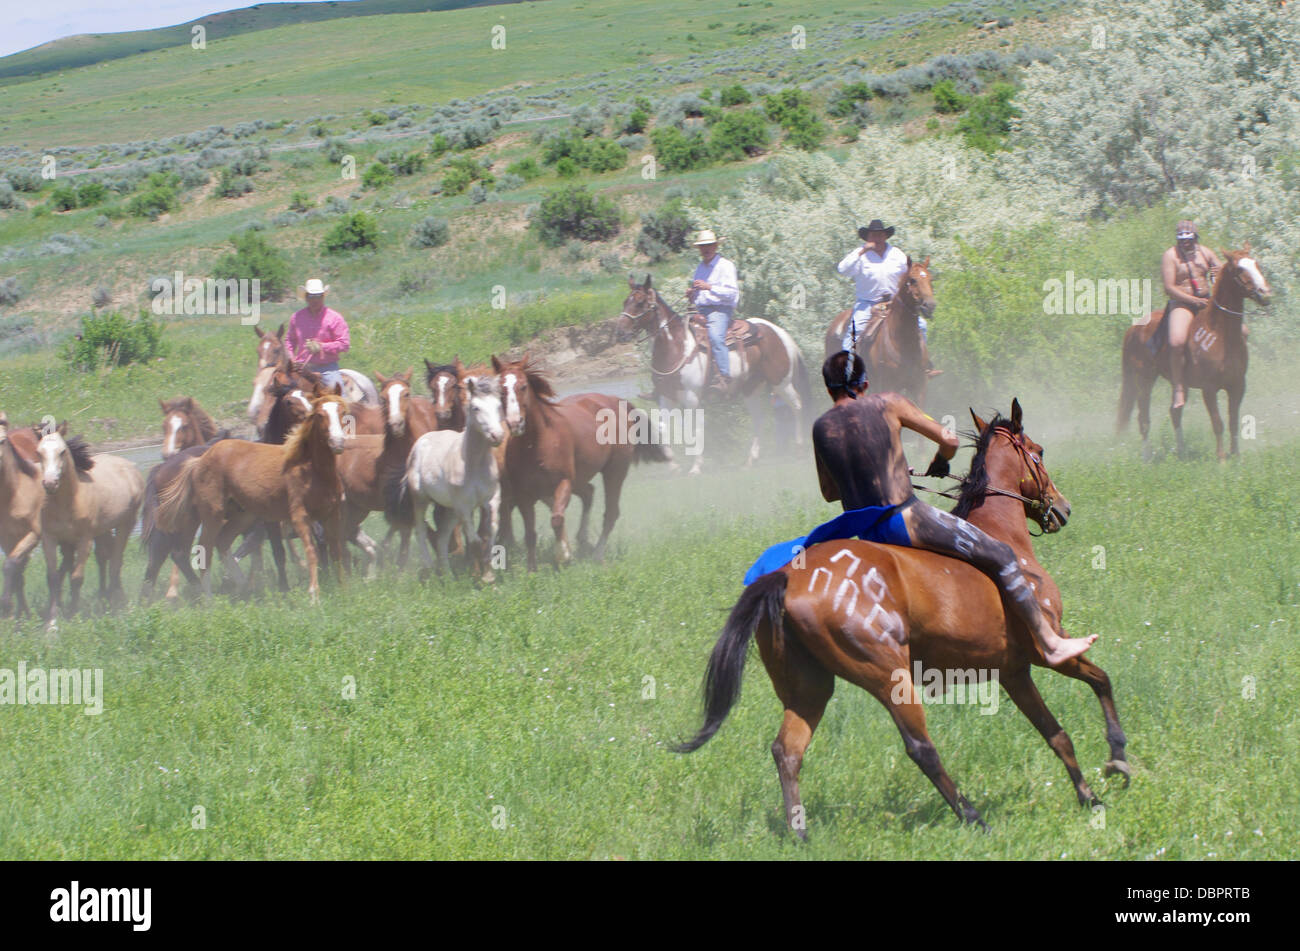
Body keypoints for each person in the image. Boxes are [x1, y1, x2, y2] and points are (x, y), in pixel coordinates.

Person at [745, 351, 1096, 667]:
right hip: (904, 520)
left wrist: (882, 470)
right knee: (1001, 554)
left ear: (827, 389)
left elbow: (828, 492)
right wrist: (941, 461)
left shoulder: (821, 427)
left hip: (864, 532)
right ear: (865, 382)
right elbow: (950, 439)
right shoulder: (890, 403)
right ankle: (1050, 643)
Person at [1160, 221, 1222, 410]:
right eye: (1182, 240)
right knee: (1177, 341)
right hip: (1183, 304)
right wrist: (1192, 301)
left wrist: (1216, 273)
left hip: (1207, 302)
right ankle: (1179, 388)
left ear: (1195, 237)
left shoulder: (1206, 252)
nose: (1186, 243)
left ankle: (1229, 371)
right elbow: (1169, 287)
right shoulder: (1170, 256)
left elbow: (1221, 270)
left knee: (1242, 331)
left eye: (1189, 239)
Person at [837, 219, 909, 353]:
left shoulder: (897, 254)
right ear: (868, 238)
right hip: (867, 304)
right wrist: (862, 251)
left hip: (894, 303)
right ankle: (846, 368)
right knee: (854, 332)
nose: (877, 239)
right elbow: (842, 269)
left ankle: (924, 366)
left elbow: (907, 277)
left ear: (886, 236)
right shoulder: (860, 254)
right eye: (873, 235)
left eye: (880, 235)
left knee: (920, 325)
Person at [685, 230, 740, 394]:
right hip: (701, 309)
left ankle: (724, 376)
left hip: (720, 310)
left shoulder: (726, 265)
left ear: (716, 246)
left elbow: (732, 293)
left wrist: (709, 287)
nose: (706, 249)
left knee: (716, 337)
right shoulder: (700, 268)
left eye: (709, 245)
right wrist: (691, 294)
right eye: (702, 246)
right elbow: (699, 296)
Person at [287, 278, 350, 390]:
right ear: (306, 297)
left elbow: (344, 344)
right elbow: (289, 341)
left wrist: (322, 347)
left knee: (339, 397)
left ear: (323, 297)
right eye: (311, 296)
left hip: (327, 369)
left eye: (318, 296)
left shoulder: (335, 318)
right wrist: (292, 360)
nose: (315, 300)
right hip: (301, 368)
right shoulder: (296, 318)